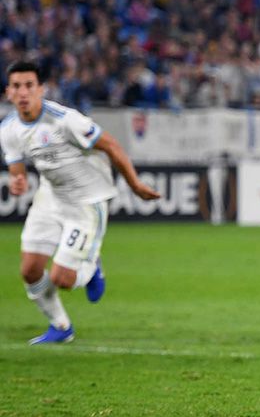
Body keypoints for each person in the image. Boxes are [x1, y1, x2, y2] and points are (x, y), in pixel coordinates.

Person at [1, 61, 161, 344]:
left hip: (87, 201)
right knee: (30, 270)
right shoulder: (8, 129)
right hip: (50, 197)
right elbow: (18, 172)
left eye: (29, 86)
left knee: (63, 278)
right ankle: (61, 327)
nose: (23, 92)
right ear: (8, 92)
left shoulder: (65, 120)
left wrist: (135, 184)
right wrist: (17, 182)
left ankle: (92, 268)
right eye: (16, 86)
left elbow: (110, 144)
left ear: (41, 89)